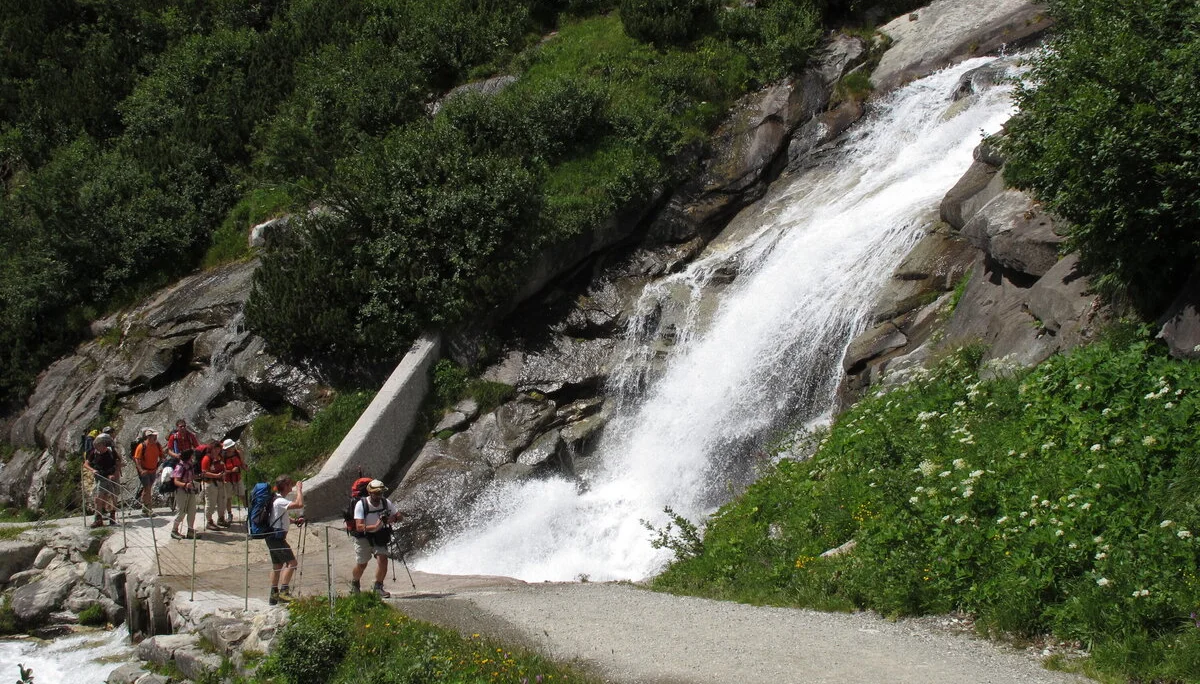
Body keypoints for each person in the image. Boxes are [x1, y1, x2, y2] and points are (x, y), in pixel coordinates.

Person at [350, 479, 402, 597]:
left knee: (383, 559)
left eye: (381, 493)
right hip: (363, 537)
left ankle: (378, 587)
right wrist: (376, 525)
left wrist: (392, 519)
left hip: (380, 535)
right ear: (370, 492)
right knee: (362, 564)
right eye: (377, 493)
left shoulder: (385, 502)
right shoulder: (361, 504)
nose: (379, 495)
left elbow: (399, 516)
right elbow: (359, 526)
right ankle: (355, 583)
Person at [265, 476, 304, 606]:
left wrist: (294, 521)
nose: (291, 486)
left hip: (271, 536)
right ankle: (284, 591)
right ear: (286, 486)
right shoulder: (280, 501)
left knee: (277, 565)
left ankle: (273, 594)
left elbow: (279, 517)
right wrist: (299, 490)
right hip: (277, 538)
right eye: (290, 484)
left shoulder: (275, 499)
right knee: (292, 563)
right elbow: (299, 504)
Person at [84, 434, 121, 527]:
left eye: (98, 445)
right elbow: (86, 464)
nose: (97, 447)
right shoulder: (94, 453)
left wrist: (115, 474)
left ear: (103, 445)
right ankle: (98, 519)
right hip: (100, 478)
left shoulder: (111, 452)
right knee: (98, 498)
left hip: (111, 477)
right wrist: (93, 470)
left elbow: (118, 463)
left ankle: (112, 517)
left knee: (113, 497)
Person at [170, 449, 201, 539]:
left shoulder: (190, 465)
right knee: (181, 512)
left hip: (190, 490)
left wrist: (198, 476)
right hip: (181, 491)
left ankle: (190, 531)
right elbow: (176, 481)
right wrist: (185, 485)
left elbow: (191, 475)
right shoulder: (180, 466)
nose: (193, 457)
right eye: (192, 455)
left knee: (192, 511)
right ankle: (174, 530)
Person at [132, 428, 163, 514]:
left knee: (147, 489)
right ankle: (149, 509)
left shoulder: (157, 445)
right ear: (149, 437)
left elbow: (161, 456)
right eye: (154, 436)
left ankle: (144, 506)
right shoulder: (141, 446)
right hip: (144, 471)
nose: (156, 437)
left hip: (152, 470)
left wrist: (158, 465)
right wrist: (141, 470)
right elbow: (137, 459)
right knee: (148, 488)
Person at [200, 443, 228, 530]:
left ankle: (221, 518)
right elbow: (204, 473)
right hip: (210, 483)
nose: (217, 450)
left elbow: (224, 467)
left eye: (218, 449)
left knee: (222, 501)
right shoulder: (206, 459)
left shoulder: (220, 458)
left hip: (220, 482)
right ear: (211, 449)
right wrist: (216, 476)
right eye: (215, 449)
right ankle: (209, 521)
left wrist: (224, 474)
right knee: (211, 503)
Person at [220, 439, 245, 523]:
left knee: (242, 495)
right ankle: (230, 514)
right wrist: (231, 471)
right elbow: (222, 470)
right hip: (227, 480)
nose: (233, 447)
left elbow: (242, 464)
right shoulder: (223, 457)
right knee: (228, 498)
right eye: (231, 446)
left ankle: (249, 511)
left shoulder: (238, 453)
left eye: (233, 446)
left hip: (238, 478)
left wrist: (244, 467)